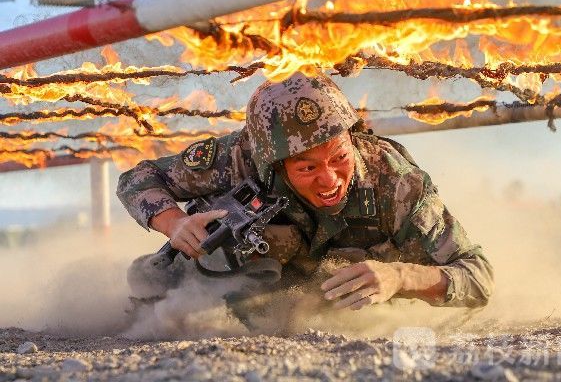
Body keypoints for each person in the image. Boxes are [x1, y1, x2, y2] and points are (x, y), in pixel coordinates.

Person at [117, 72, 494, 310]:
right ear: (273, 163)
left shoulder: (397, 184)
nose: (329, 180)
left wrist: (401, 278)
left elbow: (477, 277)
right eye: (308, 168)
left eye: (339, 157)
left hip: (355, 299)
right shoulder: (242, 155)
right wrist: (175, 223)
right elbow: (139, 178)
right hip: (263, 283)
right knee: (179, 266)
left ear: (352, 137)